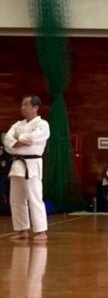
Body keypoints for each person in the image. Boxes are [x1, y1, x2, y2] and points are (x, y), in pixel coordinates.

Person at [4, 95, 50, 241]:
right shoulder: (18, 124)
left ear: (35, 107)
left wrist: (19, 139)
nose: (23, 108)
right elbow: (7, 142)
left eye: (26, 105)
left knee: (34, 198)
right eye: (22, 105)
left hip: (32, 165)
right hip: (17, 165)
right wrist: (22, 141)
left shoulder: (43, 124)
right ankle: (22, 230)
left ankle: (41, 231)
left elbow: (33, 138)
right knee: (16, 199)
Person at [0, 142, 11, 215]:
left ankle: (4, 200)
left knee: (2, 184)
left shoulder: (7, 157)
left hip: (5, 178)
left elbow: (7, 170)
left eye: (1, 149)